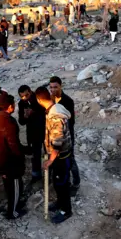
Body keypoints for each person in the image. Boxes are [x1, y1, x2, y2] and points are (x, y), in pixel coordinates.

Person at [34, 87, 73, 223]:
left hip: (61, 156)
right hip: (57, 156)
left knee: (62, 183)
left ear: (39, 100)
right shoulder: (54, 109)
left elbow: (57, 141)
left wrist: (50, 160)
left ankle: (66, 210)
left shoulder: (55, 116)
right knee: (57, 182)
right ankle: (59, 202)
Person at [0, 95, 27, 219]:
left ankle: (14, 204)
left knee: (9, 185)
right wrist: (21, 157)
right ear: (10, 106)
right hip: (11, 161)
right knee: (15, 185)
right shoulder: (9, 122)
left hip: (1, 157)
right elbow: (13, 144)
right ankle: (13, 212)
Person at [49, 76, 80, 193]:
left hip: (67, 136)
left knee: (71, 160)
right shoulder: (50, 99)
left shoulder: (67, 101)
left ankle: (76, 183)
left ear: (61, 86)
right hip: (55, 136)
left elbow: (70, 122)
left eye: (55, 87)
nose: (53, 90)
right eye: (51, 87)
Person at [18, 85, 46, 181]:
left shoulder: (39, 98)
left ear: (31, 92)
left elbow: (45, 110)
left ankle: (50, 174)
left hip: (45, 130)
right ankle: (36, 175)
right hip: (33, 133)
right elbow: (21, 121)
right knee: (35, 155)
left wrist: (34, 110)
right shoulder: (21, 104)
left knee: (49, 154)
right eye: (22, 96)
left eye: (27, 95)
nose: (25, 98)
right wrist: (25, 116)